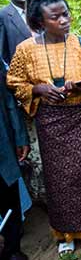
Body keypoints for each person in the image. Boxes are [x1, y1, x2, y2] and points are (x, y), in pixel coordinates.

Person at [6, 0, 81, 256]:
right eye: (56, 17)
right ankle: (66, 231)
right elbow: (15, 81)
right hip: (51, 122)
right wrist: (39, 89)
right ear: (40, 21)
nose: (64, 20)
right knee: (60, 181)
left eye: (66, 14)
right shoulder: (25, 50)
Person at [0, 0, 45, 205]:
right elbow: (3, 57)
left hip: (47, 84)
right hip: (23, 90)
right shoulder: (3, 16)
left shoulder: (37, 12)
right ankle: (41, 195)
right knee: (32, 144)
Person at [0, 66, 30, 260]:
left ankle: (12, 250)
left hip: (2, 151)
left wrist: (20, 138)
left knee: (9, 198)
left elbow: (9, 102)